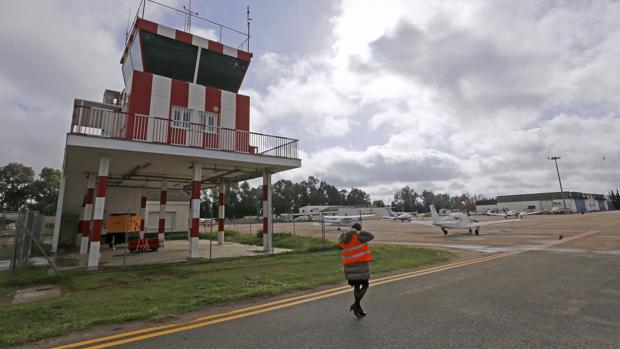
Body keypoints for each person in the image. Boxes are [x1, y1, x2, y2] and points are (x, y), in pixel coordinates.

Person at [339, 222, 374, 318]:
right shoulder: (359, 236)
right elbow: (371, 236)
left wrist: (345, 233)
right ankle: (355, 304)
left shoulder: (344, 237)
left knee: (357, 286)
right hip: (360, 266)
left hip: (349, 267)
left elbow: (339, 247)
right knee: (365, 285)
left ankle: (359, 309)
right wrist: (359, 232)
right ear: (358, 229)